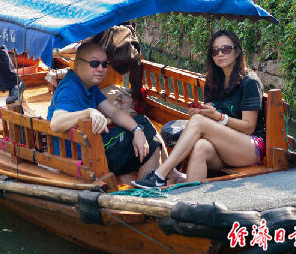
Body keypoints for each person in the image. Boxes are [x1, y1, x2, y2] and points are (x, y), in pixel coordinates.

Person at [132, 30, 265, 188]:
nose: (220, 54)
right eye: (215, 51)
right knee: (201, 146)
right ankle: (190, 202)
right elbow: (209, 118)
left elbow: (249, 127)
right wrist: (201, 112)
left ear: (237, 52)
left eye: (226, 49)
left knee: (199, 123)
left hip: (251, 148)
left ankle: (161, 174)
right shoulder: (213, 81)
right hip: (223, 146)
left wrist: (219, 117)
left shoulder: (250, 82)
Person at [47, 41, 169, 180]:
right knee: (148, 134)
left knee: (142, 128)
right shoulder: (70, 89)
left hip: (88, 149)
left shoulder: (88, 85)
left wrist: (137, 130)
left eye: (104, 64)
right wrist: (89, 112)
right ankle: (151, 185)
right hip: (82, 158)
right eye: (94, 64)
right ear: (78, 65)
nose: (100, 68)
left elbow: (113, 112)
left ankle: (154, 179)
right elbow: (56, 123)